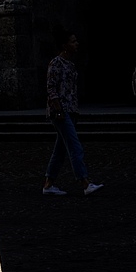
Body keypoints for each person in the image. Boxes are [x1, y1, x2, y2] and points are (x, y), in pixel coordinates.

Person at [42, 32, 103, 196]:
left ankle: (48, 184)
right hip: (60, 112)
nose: (77, 44)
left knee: (60, 150)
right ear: (65, 45)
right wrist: (59, 110)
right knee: (74, 146)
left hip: (70, 110)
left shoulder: (70, 64)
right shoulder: (56, 63)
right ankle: (84, 182)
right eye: (73, 41)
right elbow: (51, 88)